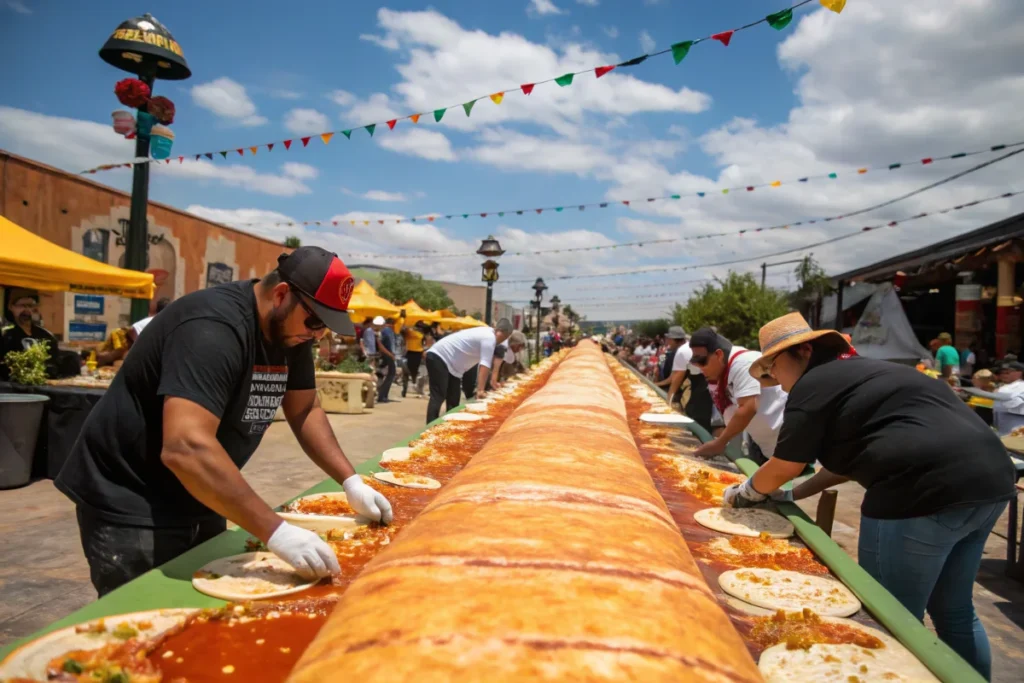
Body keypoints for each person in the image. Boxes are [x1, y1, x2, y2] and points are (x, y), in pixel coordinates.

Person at [55, 247, 393, 596]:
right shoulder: (212, 327)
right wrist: (276, 531)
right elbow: (185, 448)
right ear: (280, 295)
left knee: (207, 605)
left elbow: (304, 408)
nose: (319, 334)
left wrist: (351, 481)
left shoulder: (290, 331)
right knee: (151, 618)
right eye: (315, 321)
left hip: (200, 490)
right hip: (133, 499)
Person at [723, 312, 1015, 679]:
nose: (777, 384)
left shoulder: (813, 384)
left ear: (805, 352)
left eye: (775, 368)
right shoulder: (873, 373)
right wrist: (793, 494)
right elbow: (845, 464)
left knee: (889, 619)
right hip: (991, 484)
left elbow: (785, 463)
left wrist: (743, 493)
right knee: (954, 609)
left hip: (918, 492)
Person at [688, 328, 787, 461]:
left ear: (719, 355)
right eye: (696, 363)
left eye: (702, 362)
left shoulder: (744, 363)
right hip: (763, 443)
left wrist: (720, 443)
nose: (700, 368)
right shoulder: (718, 370)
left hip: (786, 440)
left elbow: (748, 407)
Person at [424, 319, 516, 423]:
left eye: (505, 338)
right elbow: (485, 364)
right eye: (503, 336)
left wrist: (492, 382)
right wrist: (480, 390)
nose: (502, 340)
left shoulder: (490, 336)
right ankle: (430, 426)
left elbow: (499, 360)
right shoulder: (489, 338)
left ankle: (448, 427)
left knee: (454, 398)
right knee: (439, 395)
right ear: (498, 330)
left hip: (453, 366)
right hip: (440, 356)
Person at [1, 288, 58, 380]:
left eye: (30, 306)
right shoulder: (5, 335)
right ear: (11, 307)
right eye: (22, 305)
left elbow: (53, 366)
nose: (27, 310)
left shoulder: (47, 337)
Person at [992, 361, 1024, 436]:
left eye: (1008, 372)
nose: (1003, 375)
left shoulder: (1021, 387)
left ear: (1020, 373)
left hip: (1017, 433)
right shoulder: (1003, 387)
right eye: (1001, 373)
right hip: (1002, 431)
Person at [402, 320, 427, 398]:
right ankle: (416, 386)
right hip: (418, 354)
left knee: (406, 373)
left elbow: (403, 332)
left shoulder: (408, 332)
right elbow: (423, 345)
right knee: (417, 372)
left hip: (408, 353)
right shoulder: (422, 335)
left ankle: (405, 389)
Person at [377, 317, 397, 403]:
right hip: (387, 356)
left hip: (389, 355)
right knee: (390, 375)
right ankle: (382, 396)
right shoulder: (386, 331)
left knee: (390, 375)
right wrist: (390, 354)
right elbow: (380, 344)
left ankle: (384, 395)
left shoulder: (389, 331)